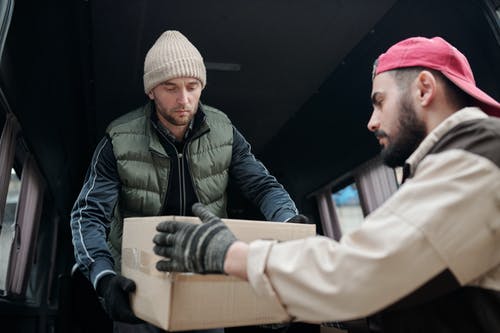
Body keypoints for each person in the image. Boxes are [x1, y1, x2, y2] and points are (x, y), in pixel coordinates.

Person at [153, 36, 500, 332]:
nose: (371, 121)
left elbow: (360, 273)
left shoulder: (477, 157)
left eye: (379, 101)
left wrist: (230, 253)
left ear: (424, 89)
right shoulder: (462, 161)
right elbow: (406, 294)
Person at [70, 30, 307, 333]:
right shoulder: (117, 140)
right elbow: (88, 214)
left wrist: (289, 221)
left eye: (192, 86)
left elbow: (262, 186)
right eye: (170, 88)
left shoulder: (225, 132)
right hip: (136, 285)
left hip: (205, 278)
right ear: (151, 90)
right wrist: (103, 278)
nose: (184, 99)